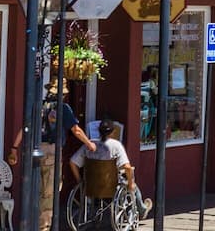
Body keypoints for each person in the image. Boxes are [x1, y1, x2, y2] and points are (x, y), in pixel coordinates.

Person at [8, 86, 96, 231]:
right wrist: (89, 143)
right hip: (51, 151)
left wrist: (14, 149)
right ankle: (43, 227)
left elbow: (24, 128)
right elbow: (76, 130)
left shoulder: (38, 105)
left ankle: (31, 224)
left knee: (35, 189)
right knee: (49, 192)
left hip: (34, 150)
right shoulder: (63, 108)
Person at [69, 121, 136, 192]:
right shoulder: (117, 145)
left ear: (99, 131)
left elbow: (72, 162)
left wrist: (79, 181)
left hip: (91, 183)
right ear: (113, 132)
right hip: (110, 184)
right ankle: (141, 203)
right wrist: (131, 184)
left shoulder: (89, 144)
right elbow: (127, 167)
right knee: (131, 178)